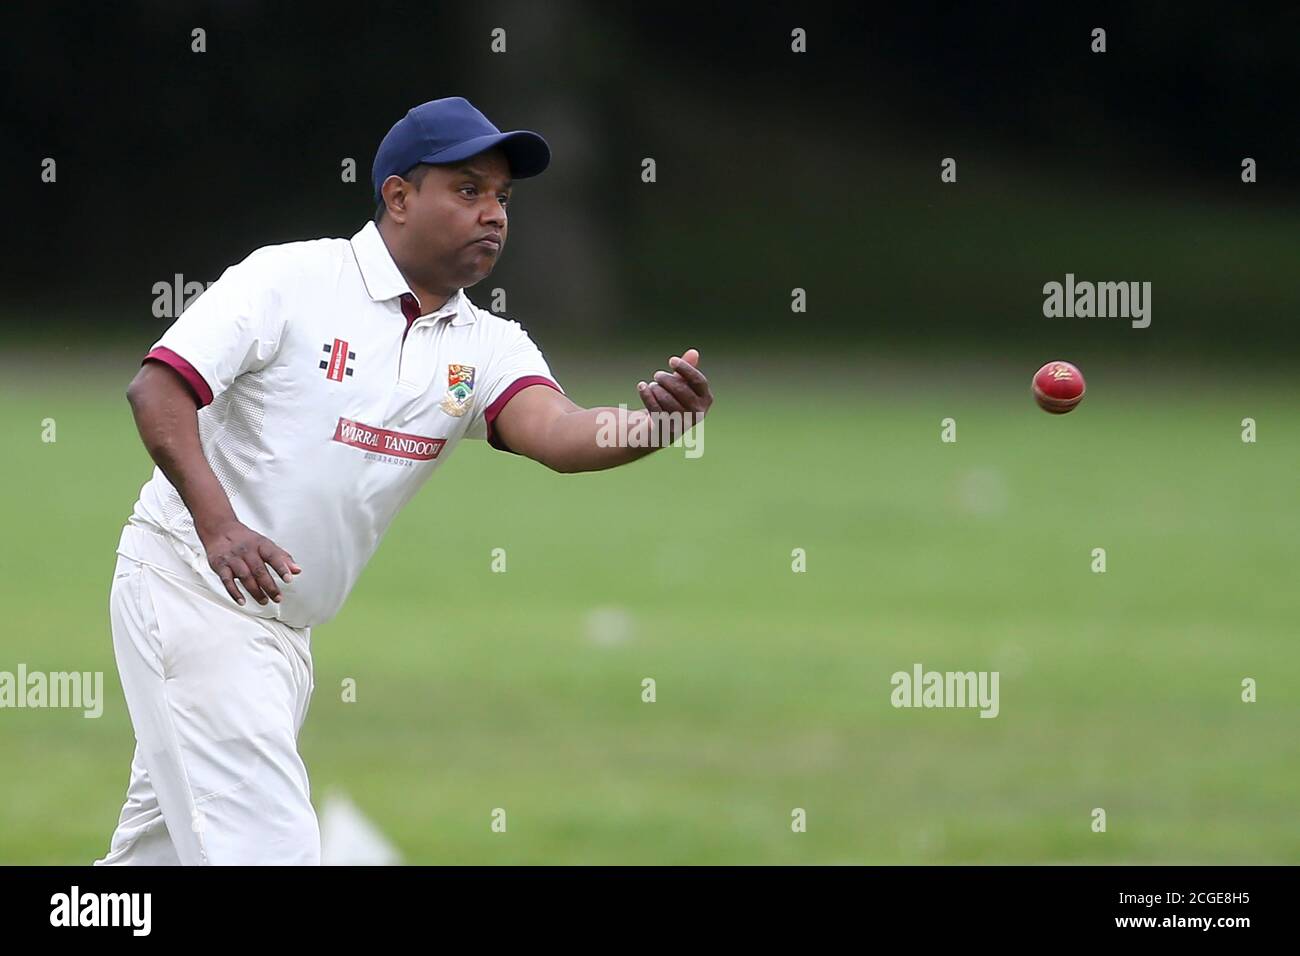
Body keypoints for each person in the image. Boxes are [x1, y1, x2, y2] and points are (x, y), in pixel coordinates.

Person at [95, 96, 712, 865]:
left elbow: (557, 433)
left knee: (149, 865)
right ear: (397, 196)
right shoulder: (291, 278)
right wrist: (219, 526)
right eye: (468, 190)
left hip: (282, 630)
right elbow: (158, 388)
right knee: (269, 850)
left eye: (504, 199)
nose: (494, 214)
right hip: (189, 590)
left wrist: (651, 427)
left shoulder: (485, 344)